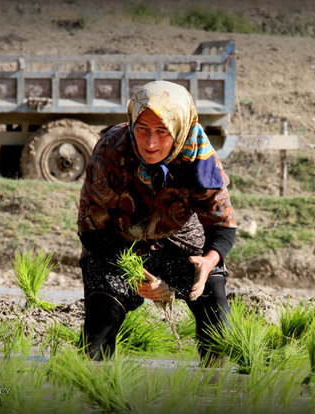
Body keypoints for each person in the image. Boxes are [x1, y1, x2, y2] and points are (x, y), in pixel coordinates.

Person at [77, 80, 237, 362]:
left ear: (179, 128)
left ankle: (215, 387)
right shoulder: (110, 153)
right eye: (142, 129)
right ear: (131, 123)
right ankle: (92, 383)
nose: (150, 143)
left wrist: (209, 261)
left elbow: (221, 224)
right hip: (118, 243)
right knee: (102, 318)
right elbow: (92, 230)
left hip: (181, 239)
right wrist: (135, 274)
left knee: (216, 314)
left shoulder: (199, 156)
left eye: (162, 132)